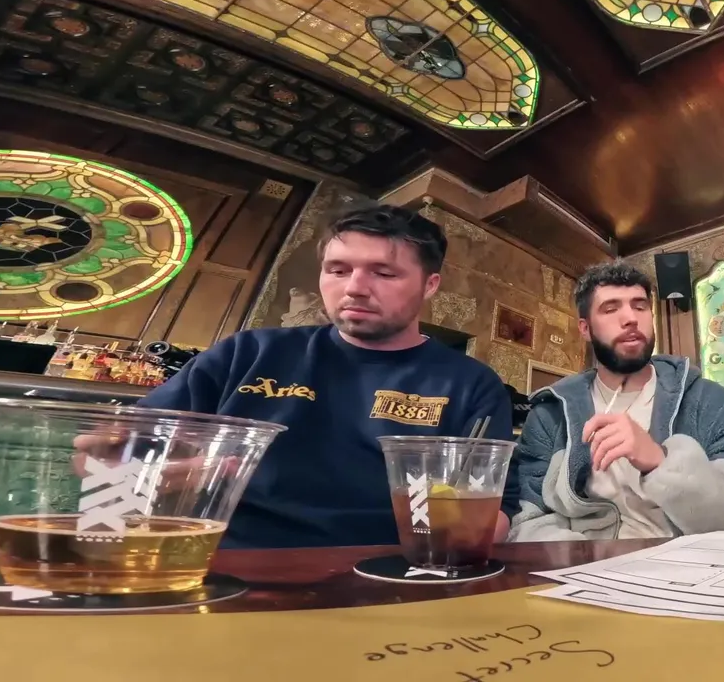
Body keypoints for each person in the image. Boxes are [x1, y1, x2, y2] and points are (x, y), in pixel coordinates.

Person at [137, 204, 516, 548]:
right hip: (225, 560)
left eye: (384, 273)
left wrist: (466, 527)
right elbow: (126, 453)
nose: (354, 288)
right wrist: (156, 475)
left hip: (388, 570)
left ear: (429, 285)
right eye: (338, 270)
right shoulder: (248, 353)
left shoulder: (471, 384)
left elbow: (497, 512)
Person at [509, 260, 724, 540]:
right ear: (585, 329)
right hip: (586, 562)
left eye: (640, 306)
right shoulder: (550, 415)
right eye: (610, 309)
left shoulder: (709, 401)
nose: (630, 318)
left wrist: (660, 462)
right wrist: (585, 558)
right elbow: (527, 521)